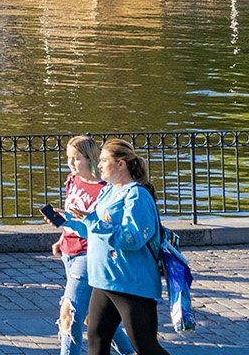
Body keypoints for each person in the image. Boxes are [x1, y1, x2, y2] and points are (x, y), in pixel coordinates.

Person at [59, 138, 170, 355]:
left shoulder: (137, 195)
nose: (98, 164)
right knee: (96, 341)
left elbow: (132, 239)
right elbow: (94, 231)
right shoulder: (108, 191)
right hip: (103, 280)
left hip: (130, 283)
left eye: (103, 160)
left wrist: (92, 222)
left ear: (121, 164)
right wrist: (69, 224)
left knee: (145, 346)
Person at [47, 135, 129, 355]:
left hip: (89, 254)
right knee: (88, 316)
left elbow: (100, 227)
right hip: (69, 252)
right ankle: (129, 351)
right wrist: (62, 237)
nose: (71, 164)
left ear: (90, 158)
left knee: (69, 312)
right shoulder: (72, 181)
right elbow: (71, 217)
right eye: (68, 158)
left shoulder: (105, 189)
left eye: (76, 159)